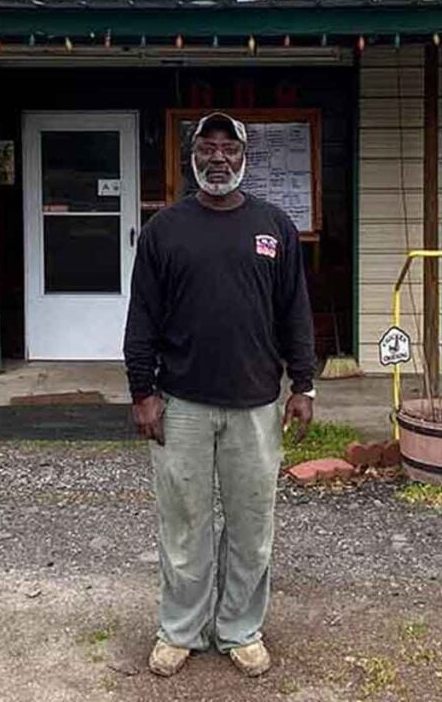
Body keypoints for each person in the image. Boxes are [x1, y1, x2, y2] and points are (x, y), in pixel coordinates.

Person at [123, 111, 316, 679]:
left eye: (228, 149)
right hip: (180, 403)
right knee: (183, 524)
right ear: (192, 157)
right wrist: (142, 391)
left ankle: (239, 629)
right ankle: (180, 629)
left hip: (256, 405)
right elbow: (142, 319)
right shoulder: (164, 230)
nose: (218, 159)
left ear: (244, 157)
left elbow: (295, 314)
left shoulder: (274, 227)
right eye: (207, 148)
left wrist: (302, 383)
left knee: (252, 525)